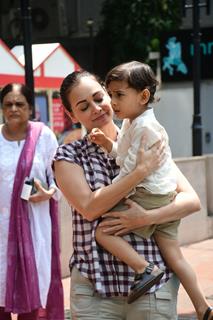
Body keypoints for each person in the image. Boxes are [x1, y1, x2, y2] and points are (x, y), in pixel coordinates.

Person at [53, 70, 205, 320]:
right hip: (95, 288)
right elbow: (90, 208)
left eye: (99, 97)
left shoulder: (144, 137)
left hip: (153, 289)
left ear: (109, 94)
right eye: (83, 106)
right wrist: (140, 171)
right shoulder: (68, 156)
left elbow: (191, 200)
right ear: (72, 115)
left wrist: (143, 219)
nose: (96, 108)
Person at [0, 83, 64, 320]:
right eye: (8, 104)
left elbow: (59, 177)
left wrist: (49, 193)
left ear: (30, 108)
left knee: (36, 298)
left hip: (35, 226)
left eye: (20, 104)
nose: (14, 108)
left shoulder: (44, 136)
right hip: (2, 232)